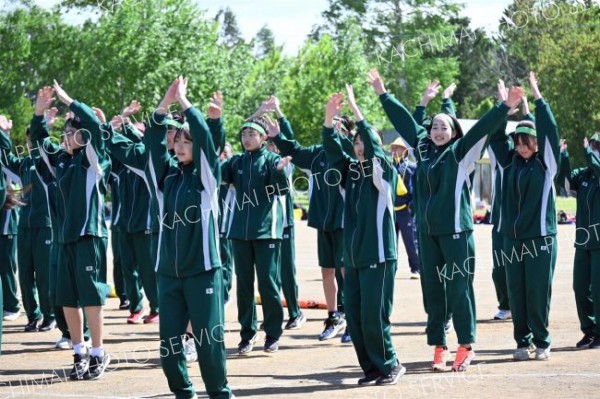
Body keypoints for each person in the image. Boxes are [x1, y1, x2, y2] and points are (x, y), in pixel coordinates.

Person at [369, 68, 523, 372]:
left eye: (444, 127)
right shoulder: (423, 150)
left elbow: (482, 128)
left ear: (453, 132)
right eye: (435, 126)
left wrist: (504, 107)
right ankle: (439, 345)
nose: (438, 131)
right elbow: (403, 121)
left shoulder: (461, 152)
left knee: (458, 288)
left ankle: (465, 345)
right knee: (433, 290)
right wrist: (382, 93)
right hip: (428, 235)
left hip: (456, 233)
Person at [144, 76, 233, 399]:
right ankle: (184, 394)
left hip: (203, 272)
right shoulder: (166, 177)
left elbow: (208, 141)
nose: (180, 147)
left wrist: (186, 104)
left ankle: (220, 394)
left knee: (208, 342)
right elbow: (153, 144)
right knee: (169, 346)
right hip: (168, 274)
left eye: (187, 142)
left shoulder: (207, 180)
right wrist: (163, 105)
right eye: (177, 142)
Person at [322, 86, 405, 385]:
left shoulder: (383, 172)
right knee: (355, 320)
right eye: (354, 142)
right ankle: (371, 368)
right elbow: (333, 150)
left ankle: (391, 364)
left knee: (374, 317)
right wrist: (329, 120)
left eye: (362, 142)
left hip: (380, 256)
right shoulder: (349, 175)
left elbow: (371, 146)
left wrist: (358, 112)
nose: (359, 147)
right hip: (354, 259)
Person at [32, 83, 111, 380]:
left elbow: (90, 123)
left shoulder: (93, 161)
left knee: (91, 297)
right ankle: (78, 350)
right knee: (66, 297)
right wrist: (39, 114)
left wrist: (68, 100)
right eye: (63, 133)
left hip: (89, 237)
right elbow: (40, 142)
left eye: (71, 133)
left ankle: (98, 353)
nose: (66, 138)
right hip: (65, 239)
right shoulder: (61, 162)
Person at [268, 103, 355, 342]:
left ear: (346, 132)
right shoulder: (317, 153)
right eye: (330, 122)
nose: (332, 126)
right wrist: (278, 133)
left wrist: (342, 135)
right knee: (327, 270)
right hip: (322, 221)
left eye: (338, 124)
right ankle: (334, 316)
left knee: (346, 271)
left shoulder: (347, 155)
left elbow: (347, 146)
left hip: (344, 222)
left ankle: (352, 319)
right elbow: (293, 150)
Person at [489, 72, 560, 361]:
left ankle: (542, 341)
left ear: (536, 142)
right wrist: (504, 106)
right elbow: (494, 135)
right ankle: (523, 341)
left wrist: (538, 97)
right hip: (512, 239)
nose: (520, 146)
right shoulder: (508, 163)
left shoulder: (546, 163)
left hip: (540, 238)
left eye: (526, 141)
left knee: (537, 292)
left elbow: (550, 131)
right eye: (517, 141)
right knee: (516, 293)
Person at [222, 103, 291, 355]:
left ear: (263, 138)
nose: (247, 138)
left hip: (267, 232)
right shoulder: (236, 161)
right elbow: (217, 176)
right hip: (239, 233)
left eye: (252, 134)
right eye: (244, 134)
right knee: (244, 286)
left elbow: (282, 191)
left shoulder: (273, 160)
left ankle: (273, 334)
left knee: (269, 285)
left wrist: (281, 173)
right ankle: (246, 334)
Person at [0, 118, 55, 333]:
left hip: (45, 225)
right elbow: (4, 156)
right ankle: (33, 315)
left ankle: (49, 315)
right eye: (29, 138)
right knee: (24, 274)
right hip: (25, 226)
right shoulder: (23, 164)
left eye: (35, 137)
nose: (32, 141)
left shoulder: (50, 164)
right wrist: (3, 132)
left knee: (43, 275)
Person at [556, 134, 600, 349]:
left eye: (597, 147)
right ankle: (589, 331)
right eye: (592, 145)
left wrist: (588, 153)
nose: (594, 149)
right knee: (580, 288)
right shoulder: (583, 175)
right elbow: (563, 182)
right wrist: (563, 155)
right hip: (583, 243)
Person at [389, 137, 419, 278]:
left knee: (411, 241)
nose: (395, 150)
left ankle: (416, 269)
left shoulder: (412, 167)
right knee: (390, 242)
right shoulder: (388, 166)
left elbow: (415, 189)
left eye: (398, 148)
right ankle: (391, 269)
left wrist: (411, 206)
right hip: (390, 210)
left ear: (405, 151)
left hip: (405, 209)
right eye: (393, 148)